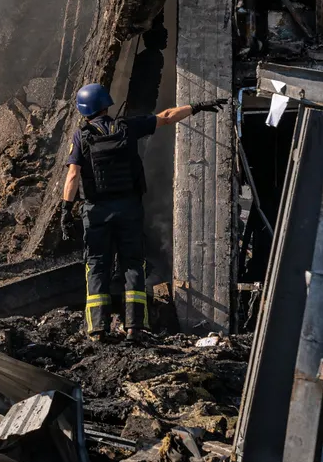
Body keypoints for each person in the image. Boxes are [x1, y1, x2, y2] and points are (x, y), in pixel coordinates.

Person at [61, 82, 227, 342]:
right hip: (129, 208)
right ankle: (135, 327)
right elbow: (167, 117)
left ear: (84, 110)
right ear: (106, 105)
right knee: (133, 264)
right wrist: (196, 107)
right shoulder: (127, 127)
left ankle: (97, 329)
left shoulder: (81, 137)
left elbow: (73, 175)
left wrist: (65, 209)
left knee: (97, 266)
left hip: (97, 212)